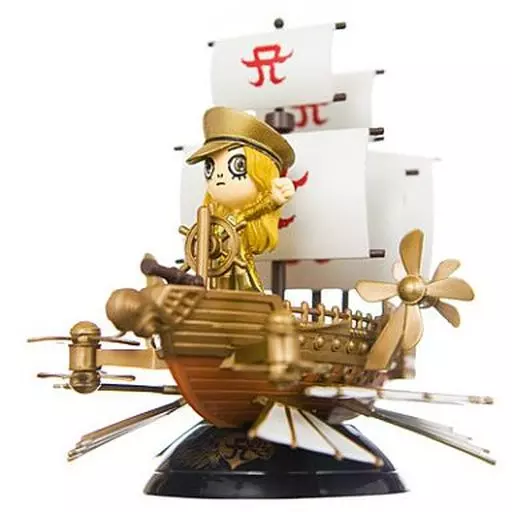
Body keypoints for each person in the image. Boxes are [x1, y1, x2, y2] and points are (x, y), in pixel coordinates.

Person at [186, 106, 296, 292]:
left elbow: (255, 211)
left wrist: (274, 199)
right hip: (212, 279)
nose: (219, 176)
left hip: (240, 275)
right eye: (210, 168)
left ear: (262, 173)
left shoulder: (238, 217)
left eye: (237, 165)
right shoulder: (212, 219)